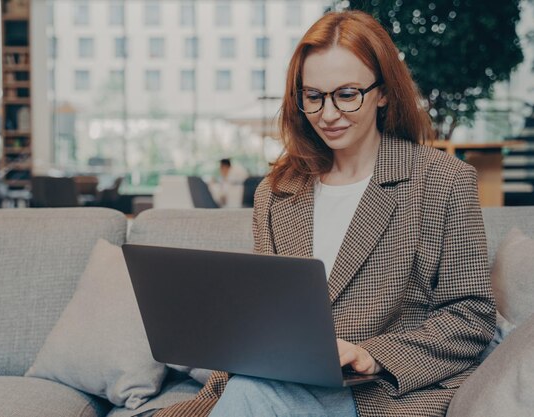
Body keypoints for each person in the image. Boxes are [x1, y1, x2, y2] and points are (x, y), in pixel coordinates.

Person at [156, 9, 495, 417]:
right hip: (281, 383)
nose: (328, 114)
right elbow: (269, 320)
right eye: (313, 97)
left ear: (383, 92)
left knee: (250, 396)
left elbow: (471, 316)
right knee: (242, 394)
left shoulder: (443, 181)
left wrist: (371, 355)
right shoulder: (277, 192)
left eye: (347, 94)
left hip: (380, 392)